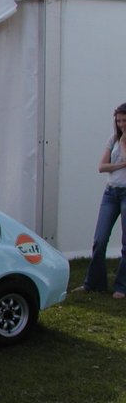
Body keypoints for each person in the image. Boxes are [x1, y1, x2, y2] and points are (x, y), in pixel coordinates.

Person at [77, 103, 126, 299]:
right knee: (100, 239)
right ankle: (94, 283)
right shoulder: (112, 138)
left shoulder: (121, 140)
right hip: (110, 193)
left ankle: (122, 286)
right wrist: (121, 164)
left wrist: (124, 143)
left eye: (124, 120)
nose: (121, 124)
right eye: (118, 121)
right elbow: (101, 167)